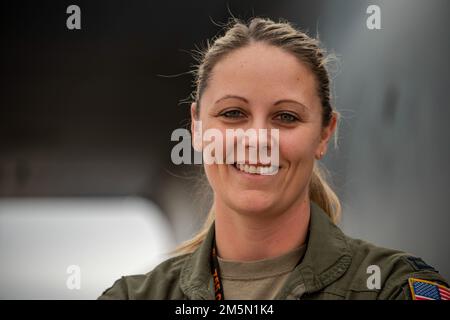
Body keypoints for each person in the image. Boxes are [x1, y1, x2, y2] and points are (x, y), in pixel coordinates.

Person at [98, 17, 449, 300]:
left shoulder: (392, 288)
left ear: (324, 133)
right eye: (233, 113)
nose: (257, 140)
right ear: (198, 128)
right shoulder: (133, 296)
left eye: (286, 117)